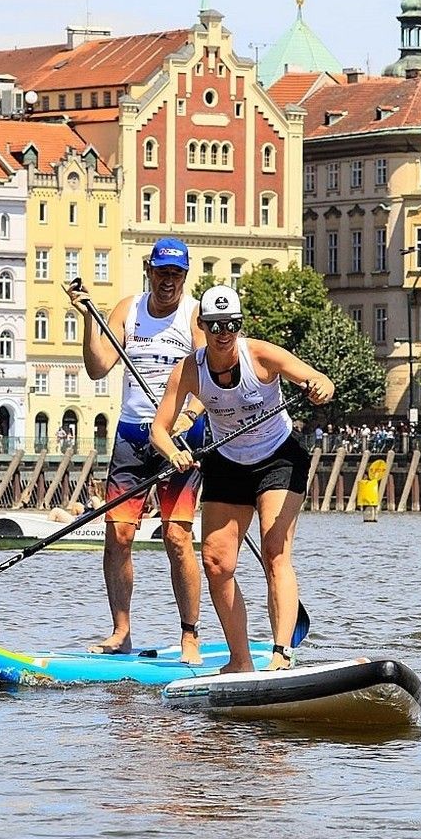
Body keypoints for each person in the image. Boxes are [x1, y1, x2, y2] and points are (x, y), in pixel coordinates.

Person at [151, 285, 335, 674]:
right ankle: (240, 661)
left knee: (274, 549)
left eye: (231, 325)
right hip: (227, 462)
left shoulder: (262, 355)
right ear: (202, 326)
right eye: (215, 325)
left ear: (239, 325)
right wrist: (175, 453)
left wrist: (320, 387)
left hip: (278, 459)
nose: (223, 333)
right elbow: (159, 430)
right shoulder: (190, 369)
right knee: (217, 563)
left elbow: (319, 380)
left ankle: (281, 654)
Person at [65, 237, 206, 663]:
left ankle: (190, 637)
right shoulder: (128, 310)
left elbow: (209, 377)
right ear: (149, 270)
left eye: (176, 275)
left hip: (182, 437)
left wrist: (187, 417)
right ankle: (121, 632)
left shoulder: (194, 315)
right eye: (161, 273)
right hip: (131, 436)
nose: (168, 282)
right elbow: (96, 367)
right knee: (118, 535)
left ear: (185, 275)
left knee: (177, 537)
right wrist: (89, 317)